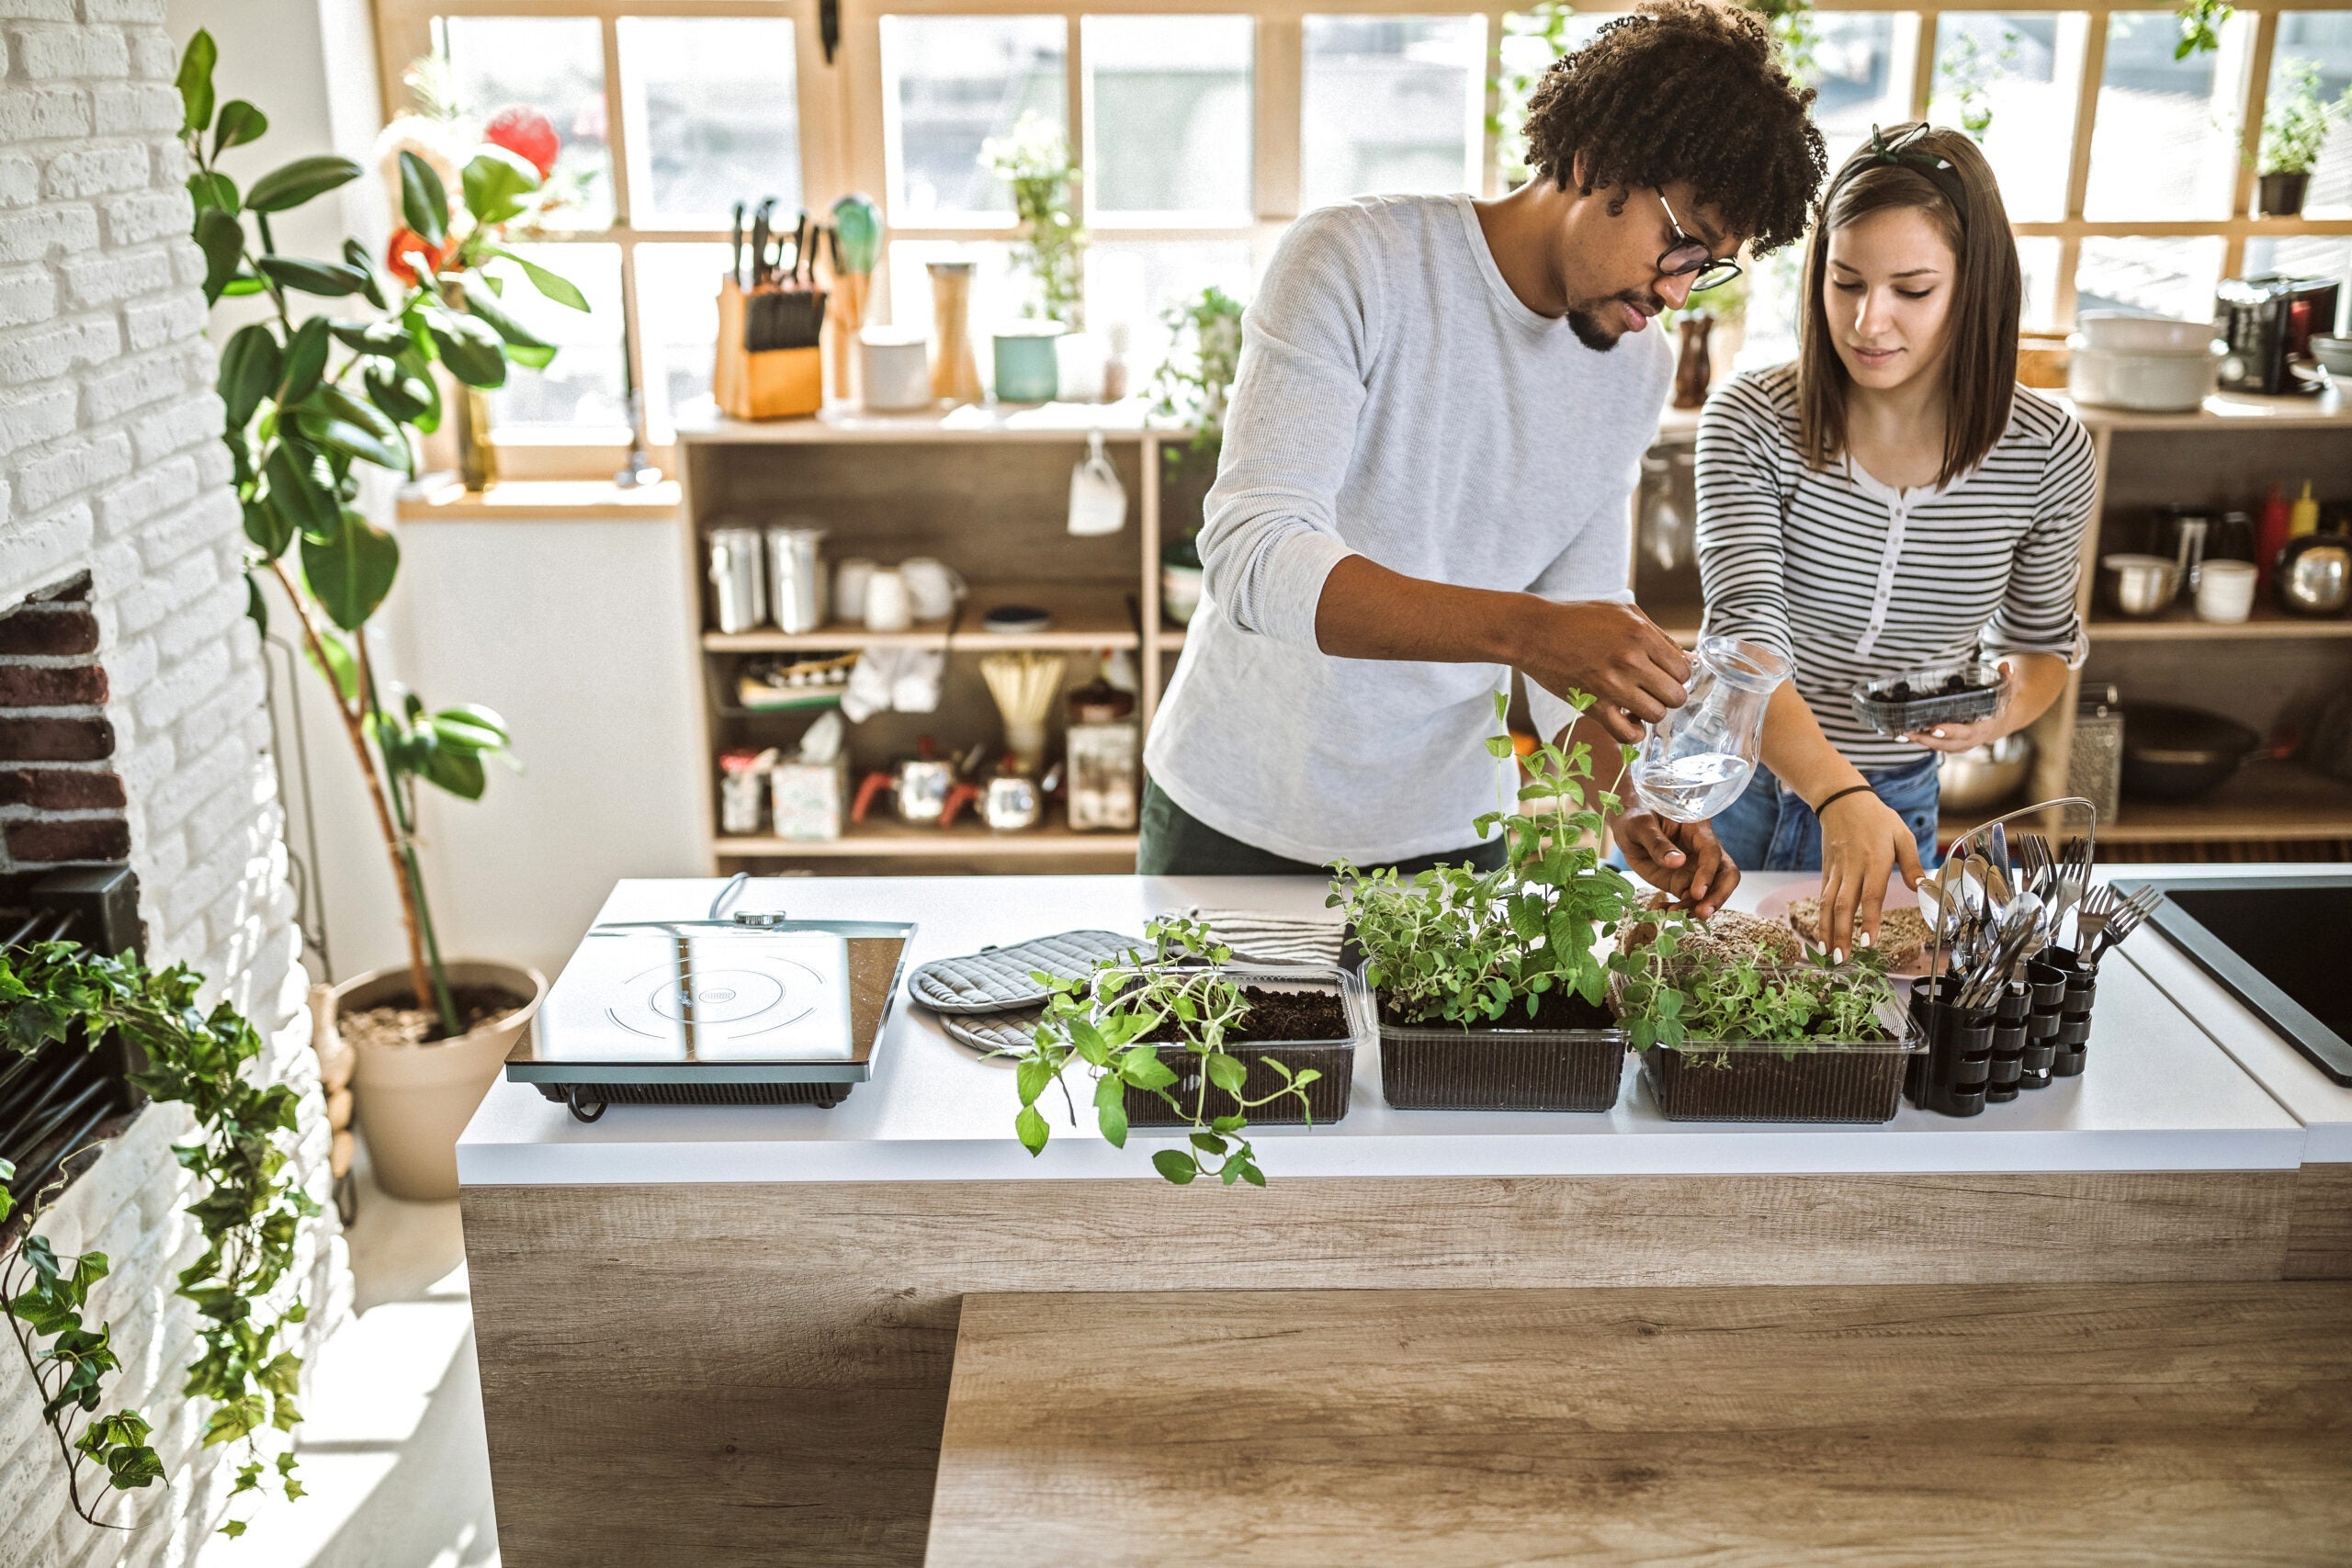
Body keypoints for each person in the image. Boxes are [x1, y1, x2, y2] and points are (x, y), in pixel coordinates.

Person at [1141, 0, 1826, 910]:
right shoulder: (1353, 261)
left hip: (1451, 842)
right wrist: (1534, 634)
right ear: (1595, 163)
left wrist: (1622, 797)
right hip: (1237, 820)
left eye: (1709, 267)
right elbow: (1253, 556)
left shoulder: (1635, 365)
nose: (1677, 289)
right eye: (1680, 242)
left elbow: (1574, 611)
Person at [1694, 123, 2097, 958]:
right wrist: (1838, 793)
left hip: (1898, 806)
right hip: (1734, 793)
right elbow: (1745, 642)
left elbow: (2044, 646)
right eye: (1846, 282)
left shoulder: (2047, 451)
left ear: (1976, 288)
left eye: (1911, 290)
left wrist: (1992, 713)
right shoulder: (1751, 421)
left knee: (1862, 1045)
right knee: (1711, 1039)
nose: (1867, 321)